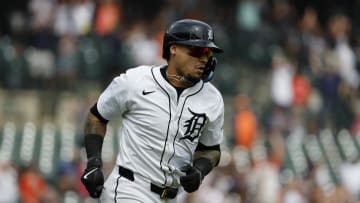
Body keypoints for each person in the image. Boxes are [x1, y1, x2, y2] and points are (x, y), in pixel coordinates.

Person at [80, 18, 224, 203]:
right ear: (173, 49)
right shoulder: (136, 81)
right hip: (130, 189)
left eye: (208, 53)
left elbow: (211, 149)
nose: (204, 59)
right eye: (197, 51)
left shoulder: (212, 99)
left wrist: (200, 170)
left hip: (173, 197)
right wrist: (93, 163)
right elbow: (97, 116)